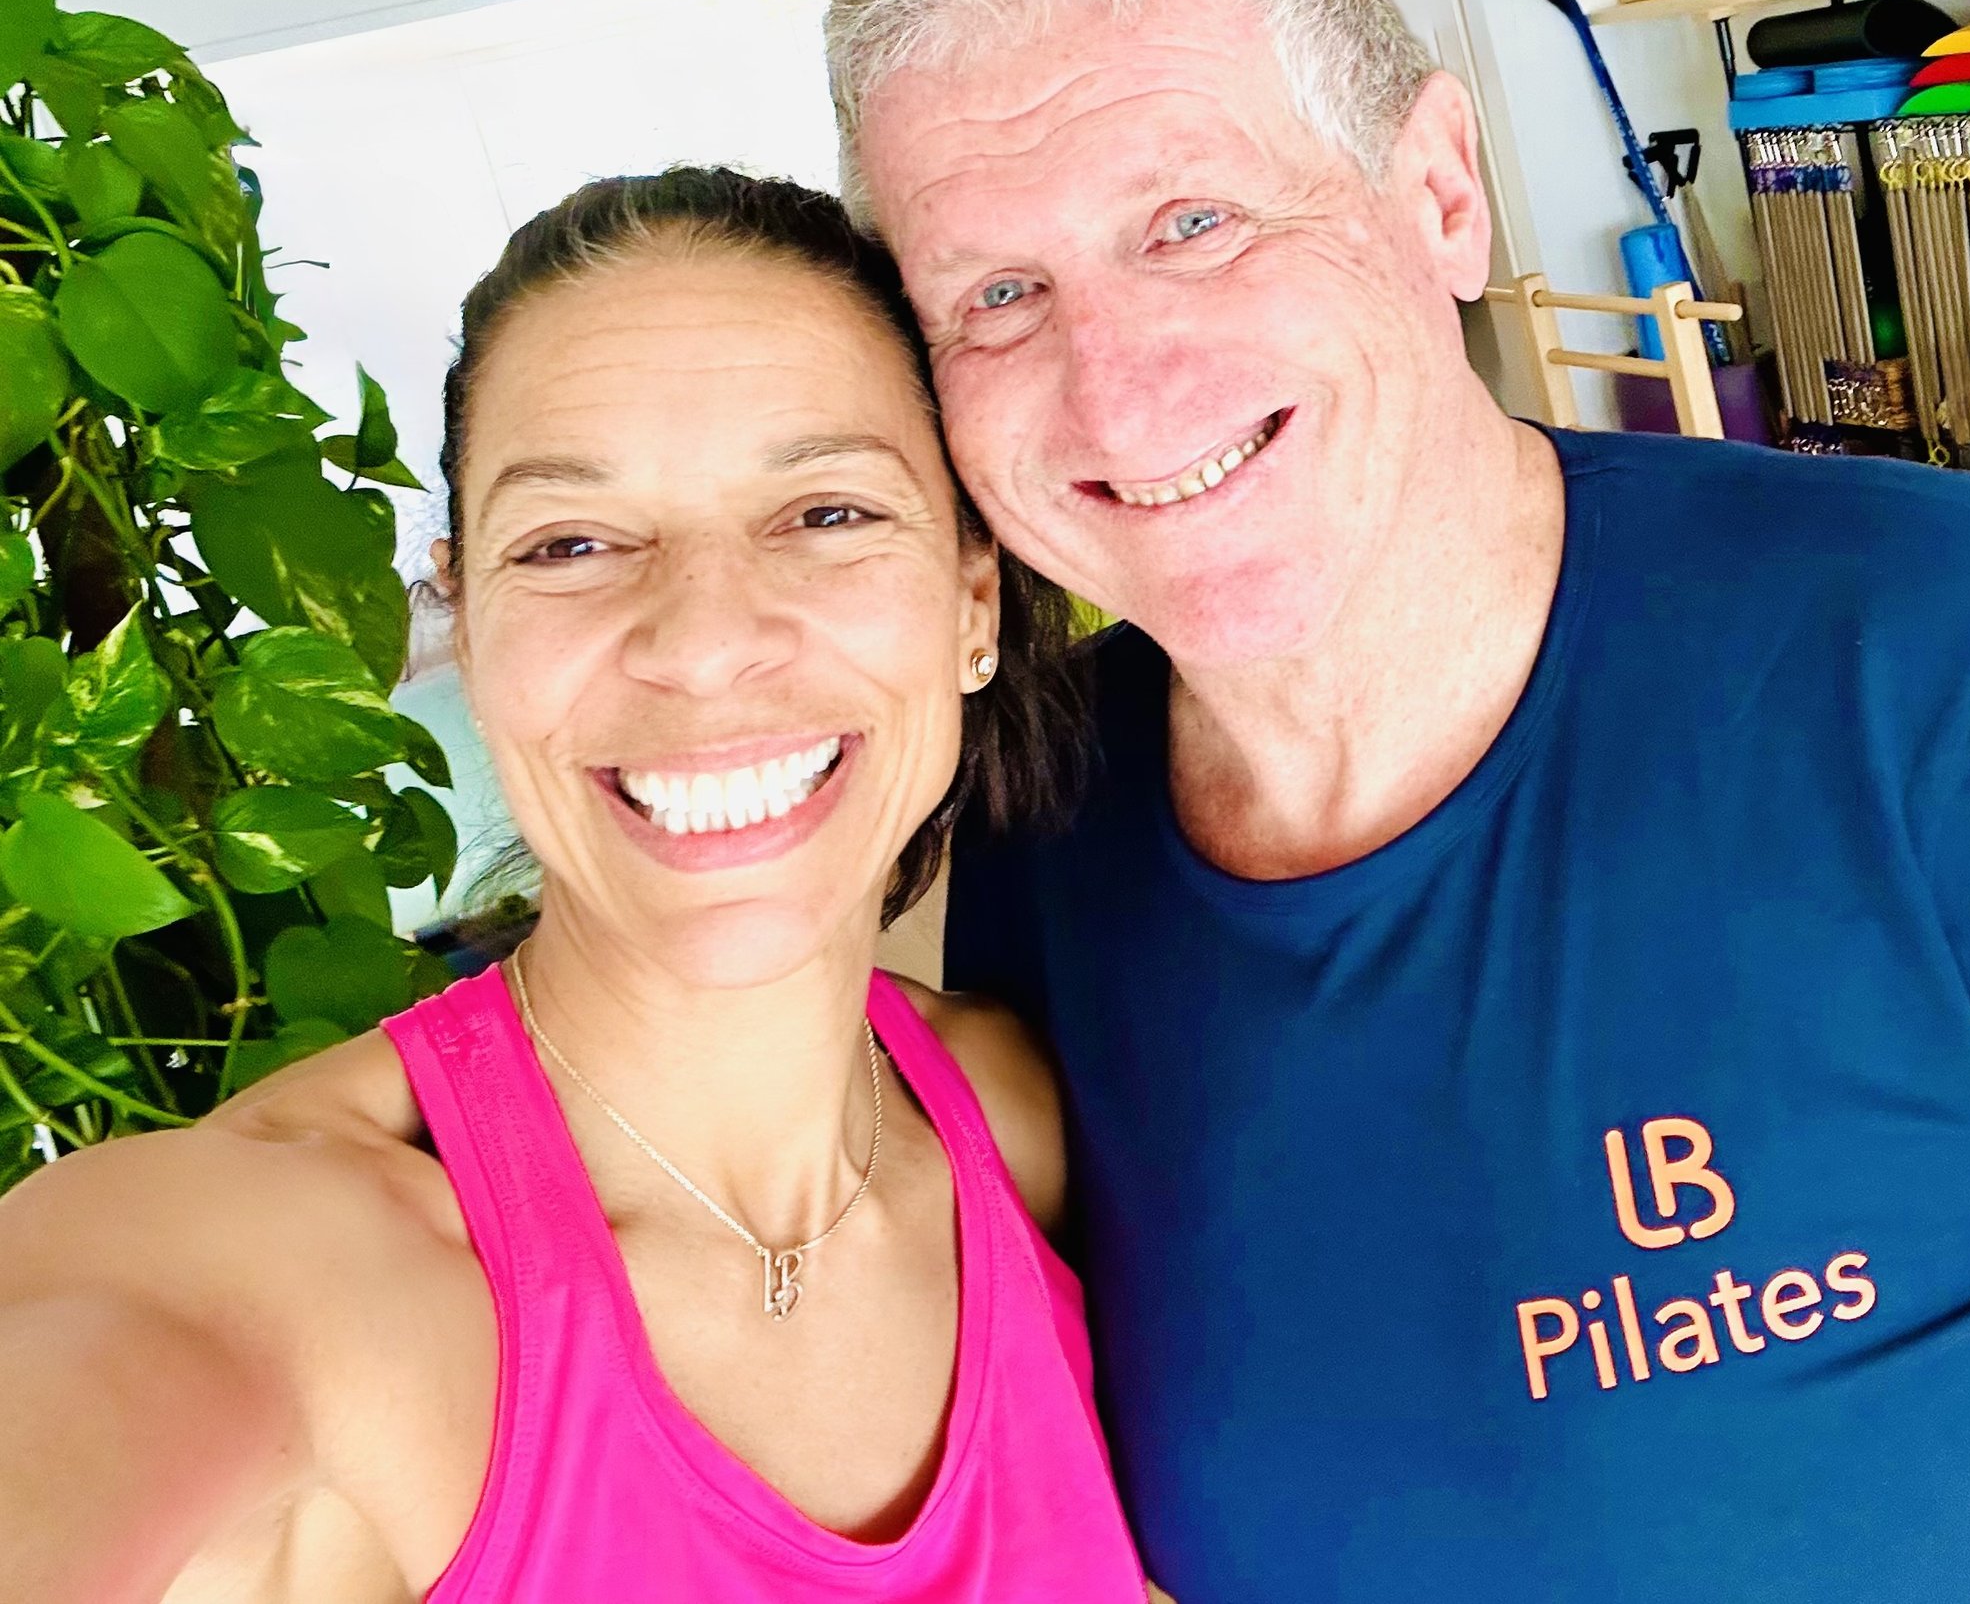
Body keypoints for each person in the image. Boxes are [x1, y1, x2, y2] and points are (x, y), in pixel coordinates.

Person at [824, 0, 1970, 1602]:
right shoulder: (1035, 839)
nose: (1117, 383)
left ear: (1440, 194)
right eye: (996, 294)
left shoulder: (1949, 663)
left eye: (1194, 221)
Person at [0, 169, 1146, 1604]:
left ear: (974, 598)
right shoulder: (277, 1264)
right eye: (572, 544)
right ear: (468, 625)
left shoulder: (1030, 1124)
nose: (706, 638)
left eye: (825, 512)